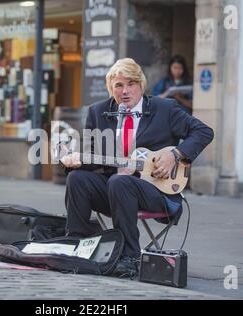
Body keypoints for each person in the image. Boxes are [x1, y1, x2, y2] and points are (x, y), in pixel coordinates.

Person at [61, 58, 214, 278]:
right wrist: (76, 160)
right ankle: (75, 245)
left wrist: (175, 155)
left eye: (131, 84)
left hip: (156, 190)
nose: (125, 91)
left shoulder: (165, 108)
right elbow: (94, 158)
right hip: (114, 190)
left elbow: (204, 132)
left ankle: (129, 257)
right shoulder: (98, 112)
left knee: (119, 181)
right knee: (77, 178)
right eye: (119, 85)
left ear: (141, 85)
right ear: (110, 88)